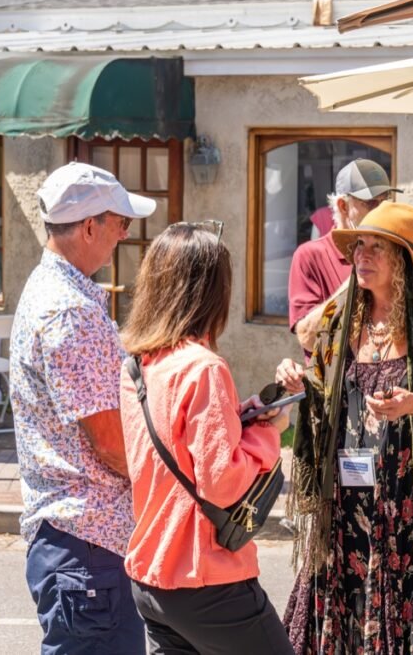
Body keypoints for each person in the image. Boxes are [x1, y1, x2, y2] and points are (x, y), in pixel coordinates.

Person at [277, 202, 413, 654]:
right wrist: (297, 377)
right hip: (344, 508)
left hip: (409, 512)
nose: (362, 256)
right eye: (359, 247)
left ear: (404, 259)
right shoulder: (340, 319)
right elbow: (322, 389)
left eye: (377, 248)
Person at [118, 221, 295, 655]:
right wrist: (270, 432)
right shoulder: (204, 368)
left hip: (153, 572)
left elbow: (171, 450)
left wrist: (240, 419)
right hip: (206, 575)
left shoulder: (137, 367)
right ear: (211, 291)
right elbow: (223, 482)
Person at [9, 162, 155, 654]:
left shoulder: (54, 290)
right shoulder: (70, 308)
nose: (125, 233)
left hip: (76, 541)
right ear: (90, 226)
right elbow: (111, 443)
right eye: (121, 222)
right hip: (89, 542)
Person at [288, 158, 399, 352]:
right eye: (371, 203)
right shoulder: (309, 255)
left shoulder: (393, 250)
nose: (380, 211)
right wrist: (358, 278)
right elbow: (307, 338)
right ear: (343, 206)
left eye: (385, 201)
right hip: (334, 380)